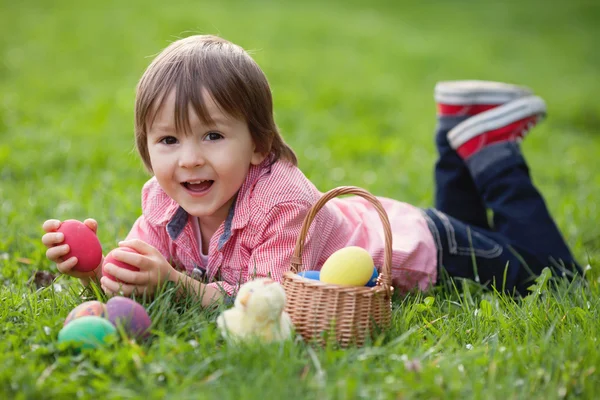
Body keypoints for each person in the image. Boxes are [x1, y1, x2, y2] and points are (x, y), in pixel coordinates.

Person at [41, 35, 580, 306]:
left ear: (258, 145)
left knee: (559, 276)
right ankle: (456, 133)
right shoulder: (162, 198)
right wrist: (98, 267)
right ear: (147, 150)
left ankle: (491, 152)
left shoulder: (281, 201)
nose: (189, 158)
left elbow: (273, 305)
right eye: (167, 140)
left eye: (212, 135)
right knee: (493, 237)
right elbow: (143, 268)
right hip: (402, 225)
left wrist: (180, 287)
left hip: (429, 252)